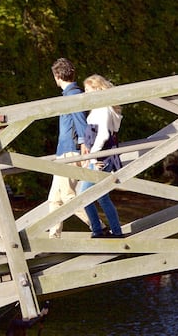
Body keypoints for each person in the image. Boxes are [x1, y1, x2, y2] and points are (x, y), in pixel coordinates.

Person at [47, 58, 104, 238]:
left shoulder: (72, 95)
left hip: (70, 151)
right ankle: (53, 237)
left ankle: (98, 226)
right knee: (54, 199)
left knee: (68, 197)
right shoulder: (69, 94)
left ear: (57, 76)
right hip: (63, 150)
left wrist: (84, 144)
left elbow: (80, 120)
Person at [79, 74, 125, 238]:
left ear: (97, 89)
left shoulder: (103, 109)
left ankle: (99, 230)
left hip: (100, 158)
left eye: (87, 90)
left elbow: (104, 134)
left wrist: (93, 157)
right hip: (101, 157)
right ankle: (113, 231)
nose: (85, 93)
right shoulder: (103, 108)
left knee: (84, 195)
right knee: (102, 196)